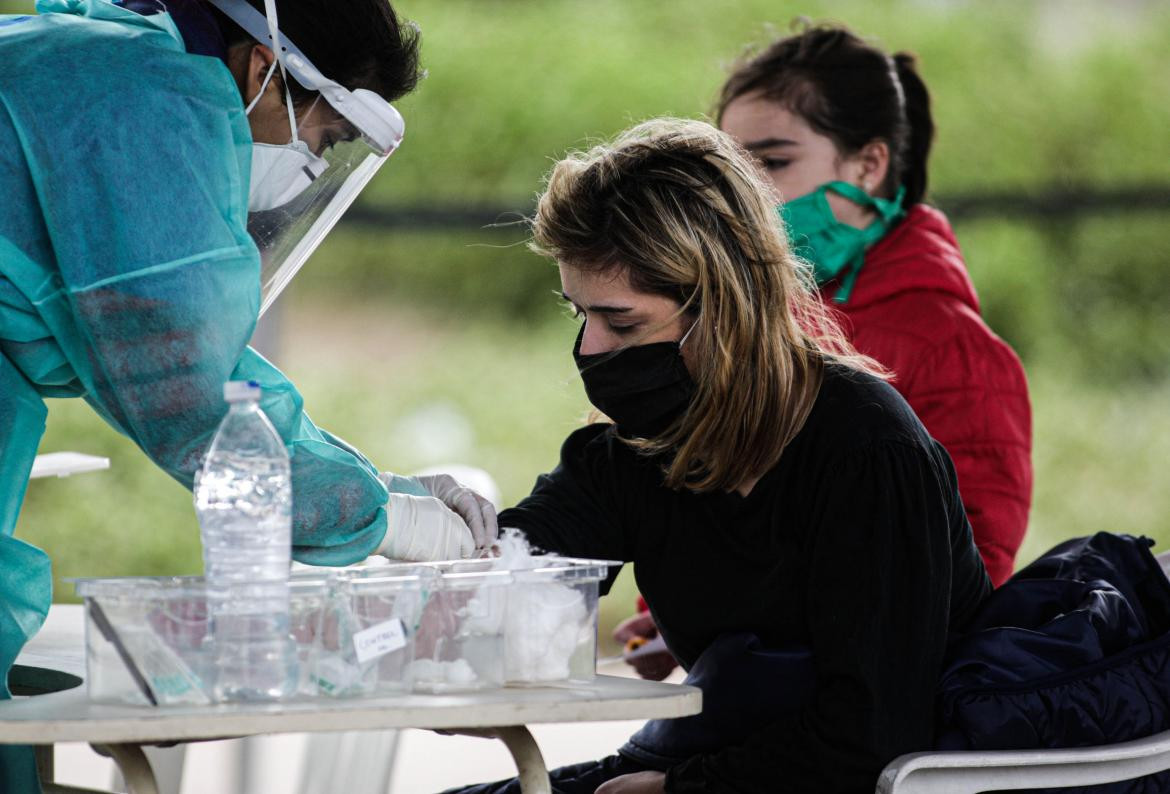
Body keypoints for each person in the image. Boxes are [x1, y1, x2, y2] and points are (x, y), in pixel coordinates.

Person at [0, 1, 495, 788]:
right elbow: (187, 390)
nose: (307, 164)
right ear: (264, 67)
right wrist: (383, 519)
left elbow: (203, 365)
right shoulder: (146, 105)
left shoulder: (89, 63)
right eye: (325, 138)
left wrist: (385, 487)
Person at [456, 118, 991, 794]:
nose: (589, 350)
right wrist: (438, 537)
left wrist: (675, 790)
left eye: (621, 322)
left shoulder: (867, 453)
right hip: (711, 761)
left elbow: (876, 734)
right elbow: (524, 559)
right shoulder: (640, 447)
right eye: (578, 314)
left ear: (726, 306)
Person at [616, 22, 1034, 680]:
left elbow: (954, 590)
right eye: (730, 169)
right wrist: (669, 616)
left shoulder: (960, 354)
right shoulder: (734, 318)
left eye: (774, 163)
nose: (744, 197)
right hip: (738, 698)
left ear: (868, 164)